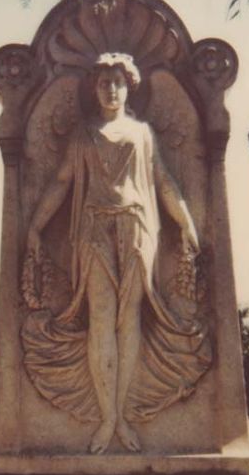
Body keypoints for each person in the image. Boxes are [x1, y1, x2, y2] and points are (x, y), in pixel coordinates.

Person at [26, 52, 206, 454]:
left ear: (130, 88)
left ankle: (122, 415)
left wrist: (186, 222)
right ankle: (107, 416)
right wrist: (36, 225)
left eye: (118, 83)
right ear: (95, 88)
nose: (111, 89)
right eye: (104, 82)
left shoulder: (142, 135)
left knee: (130, 321)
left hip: (137, 229)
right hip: (94, 231)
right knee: (101, 319)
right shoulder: (84, 133)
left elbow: (164, 183)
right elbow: (60, 182)